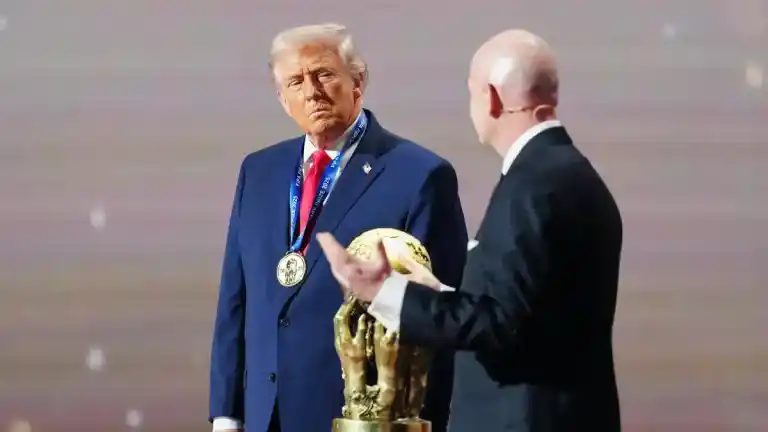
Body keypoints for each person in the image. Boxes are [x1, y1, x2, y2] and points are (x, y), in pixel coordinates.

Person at [317, 29, 623, 432]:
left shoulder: (532, 185)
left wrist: (385, 294)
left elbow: (499, 324)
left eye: (471, 92)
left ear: (492, 98)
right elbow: (528, 311)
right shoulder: (574, 175)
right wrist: (437, 292)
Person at [208, 23, 468, 432]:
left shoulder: (419, 175)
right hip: (264, 417)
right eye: (295, 81)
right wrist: (226, 415)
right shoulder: (258, 172)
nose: (311, 91)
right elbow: (234, 300)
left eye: (324, 74)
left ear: (358, 82)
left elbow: (435, 321)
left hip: (357, 418)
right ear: (283, 99)